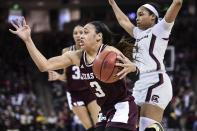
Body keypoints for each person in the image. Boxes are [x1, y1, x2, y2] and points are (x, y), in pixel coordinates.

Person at [9, 19, 139, 131]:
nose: (81, 36)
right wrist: (28, 40)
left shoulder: (110, 53)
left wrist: (133, 68)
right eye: (80, 33)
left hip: (122, 105)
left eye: (86, 32)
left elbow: (134, 68)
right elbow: (44, 66)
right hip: (105, 109)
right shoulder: (75, 56)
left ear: (98, 36)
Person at [109, 0, 183, 130]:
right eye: (137, 15)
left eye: (141, 14)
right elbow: (124, 21)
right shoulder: (138, 34)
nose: (137, 18)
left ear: (153, 16)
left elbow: (177, 3)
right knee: (130, 125)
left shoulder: (160, 29)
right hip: (139, 84)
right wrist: (113, 4)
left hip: (156, 82)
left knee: (145, 126)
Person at [48, 25, 100, 131]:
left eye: (81, 32)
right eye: (75, 33)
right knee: (89, 127)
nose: (78, 35)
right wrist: (58, 76)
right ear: (72, 36)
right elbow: (66, 76)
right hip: (75, 93)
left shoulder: (92, 50)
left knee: (99, 125)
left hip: (91, 90)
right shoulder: (66, 51)